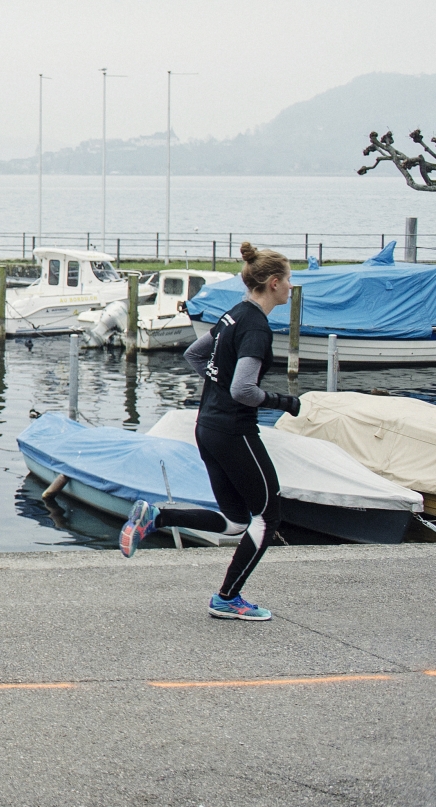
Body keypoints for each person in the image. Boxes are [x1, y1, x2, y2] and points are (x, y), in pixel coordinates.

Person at [120, 242, 299, 620]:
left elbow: (195, 356)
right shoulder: (256, 328)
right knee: (268, 517)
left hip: (208, 427)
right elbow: (243, 390)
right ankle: (227, 598)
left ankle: (157, 516)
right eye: (288, 280)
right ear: (273, 283)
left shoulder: (234, 315)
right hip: (234, 430)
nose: (291, 286)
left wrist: (218, 387)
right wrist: (284, 402)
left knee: (236, 522)